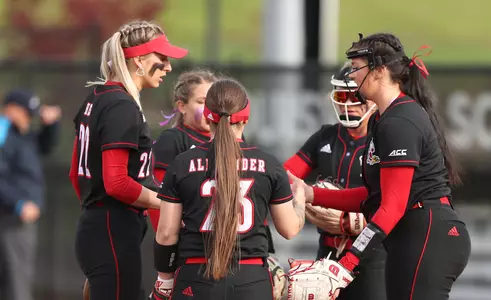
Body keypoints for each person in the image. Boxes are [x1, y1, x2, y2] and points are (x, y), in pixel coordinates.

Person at [288, 33, 471, 300]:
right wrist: (312, 194)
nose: (351, 76)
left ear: (380, 70)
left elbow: (392, 206)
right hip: (412, 234)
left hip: (427, 233)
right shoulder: (385, 120)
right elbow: (375, 196)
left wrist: (347, 262)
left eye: (356, 68)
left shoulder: (400, 120)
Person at [151, 78, 306, 300]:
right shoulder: (269, 164)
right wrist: (299, 202)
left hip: (196, 275)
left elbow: (166, 234)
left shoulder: (183, 163)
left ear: (207, 115)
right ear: (247, 117)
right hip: (251, 278)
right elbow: (289, 229)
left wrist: (165, 281)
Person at [70, 20, 188, 300]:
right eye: (162, 58)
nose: (168, 67)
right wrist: (167, 204)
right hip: (112, 227)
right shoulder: (120, 105)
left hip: (100, 226)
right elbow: (117, 184)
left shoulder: (97, 96)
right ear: (138, 60)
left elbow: (76, 174)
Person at [283, 62, 386, 300]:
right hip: (328, 251)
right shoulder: (326, 136)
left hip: (374, 254)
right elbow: (286, 174)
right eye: (342, 95)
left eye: (355, 96)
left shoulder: (385, 138)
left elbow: (397, 195)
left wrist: (360, 220)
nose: (348, 103)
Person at [0, 89, 61, 300]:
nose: (29, 120)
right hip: (9, 218)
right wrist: (18, 204)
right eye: (26, 113)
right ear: (11, 109)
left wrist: (51, 125)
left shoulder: (23, 137)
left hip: (19, 221)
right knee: (16, 283)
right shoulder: (5, 134)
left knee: (16, 279)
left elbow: (45, 144)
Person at [148, 69, 218, 231]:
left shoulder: (233, 139)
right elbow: (158, 196)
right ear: (182, 106)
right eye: (202, 102)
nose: (210, 109)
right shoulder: (173, 139)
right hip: (189, 240)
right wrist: (168, 241)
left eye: (214, 102)